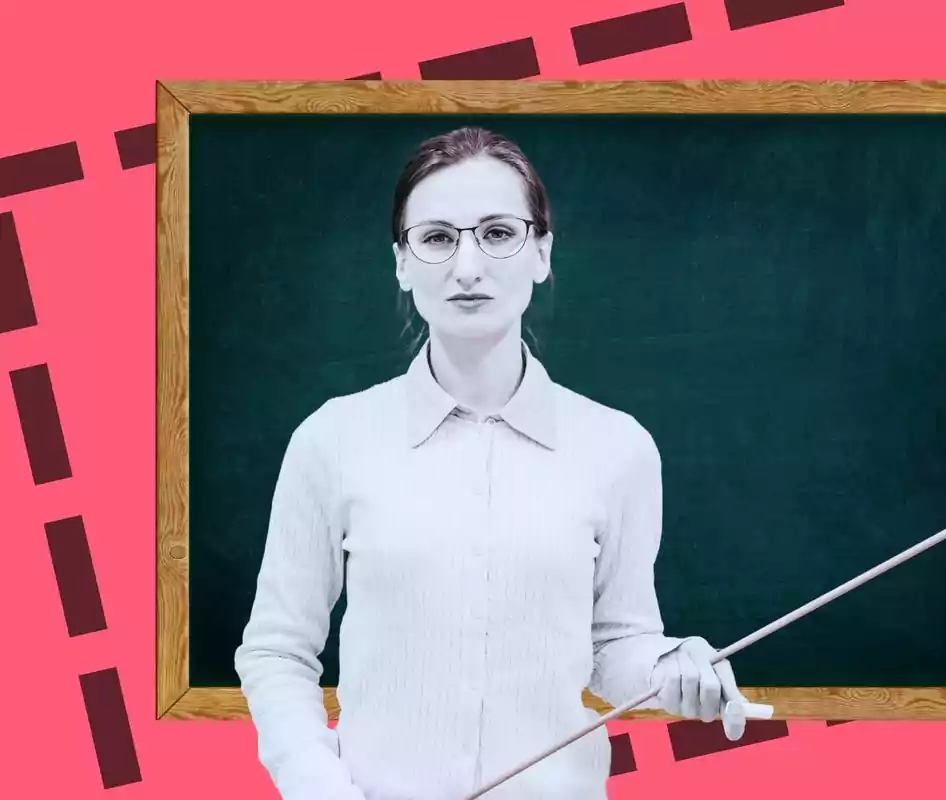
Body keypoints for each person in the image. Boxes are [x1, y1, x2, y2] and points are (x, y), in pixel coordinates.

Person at [234, 126, 750, 800]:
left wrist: (673, 669)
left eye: (499, 234)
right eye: (438, 237)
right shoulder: (332, 440)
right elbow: (276, 650)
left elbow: (613, 648)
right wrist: (317, 784)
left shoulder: (617, 447)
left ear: (541, 252)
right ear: (400, 260)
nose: (468, 267)